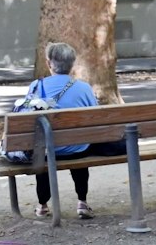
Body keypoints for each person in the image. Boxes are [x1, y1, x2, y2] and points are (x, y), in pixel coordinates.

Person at [26, 42, 125, 220]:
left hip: (49, 151)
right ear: (72, 64)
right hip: (77, 150)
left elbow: (27, 118)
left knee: (44, 152)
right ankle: (82, 202)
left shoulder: (36, 86)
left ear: (49, 63)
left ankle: (42, 205)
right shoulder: (84, 88)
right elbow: (96, 119)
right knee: (80, 144)